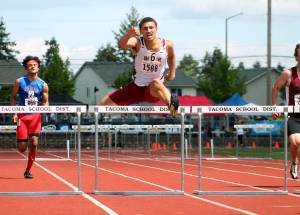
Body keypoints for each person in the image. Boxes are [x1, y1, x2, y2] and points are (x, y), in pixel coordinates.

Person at [97, 17, 179, 115]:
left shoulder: (167, 45)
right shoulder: (137, 42)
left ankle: (173, 106)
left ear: (156, 29)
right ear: (140, 31)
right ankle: (98, 126)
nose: (148, 30)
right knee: (101, 105)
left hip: (153, 90)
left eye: (151, 27)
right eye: (145, 28)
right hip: (136, 87)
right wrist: (129, 34)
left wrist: (172, 72)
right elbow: (122, 45)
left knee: (156, 83)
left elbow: (171, 56)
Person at [10, 56, 49, 179]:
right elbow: (13, 97)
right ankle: (22, 141)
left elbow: (46, 101)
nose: (32, 66)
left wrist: (44, 108)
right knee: (22, 148)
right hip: (22, 117)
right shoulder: (19, 81)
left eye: (34, 65)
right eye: (29, 65)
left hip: (35, 117)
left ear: (38, 67)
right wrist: (14, 113)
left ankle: (28, 170)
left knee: (34, 142)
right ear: (26, 68)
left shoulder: (43, 84)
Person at [272, 43, 300, 179]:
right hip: (293, 115)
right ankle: (294, 162)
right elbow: (275, 88)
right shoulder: (288, 74)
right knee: (295, 142)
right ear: (296, 57)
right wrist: (274, 107)